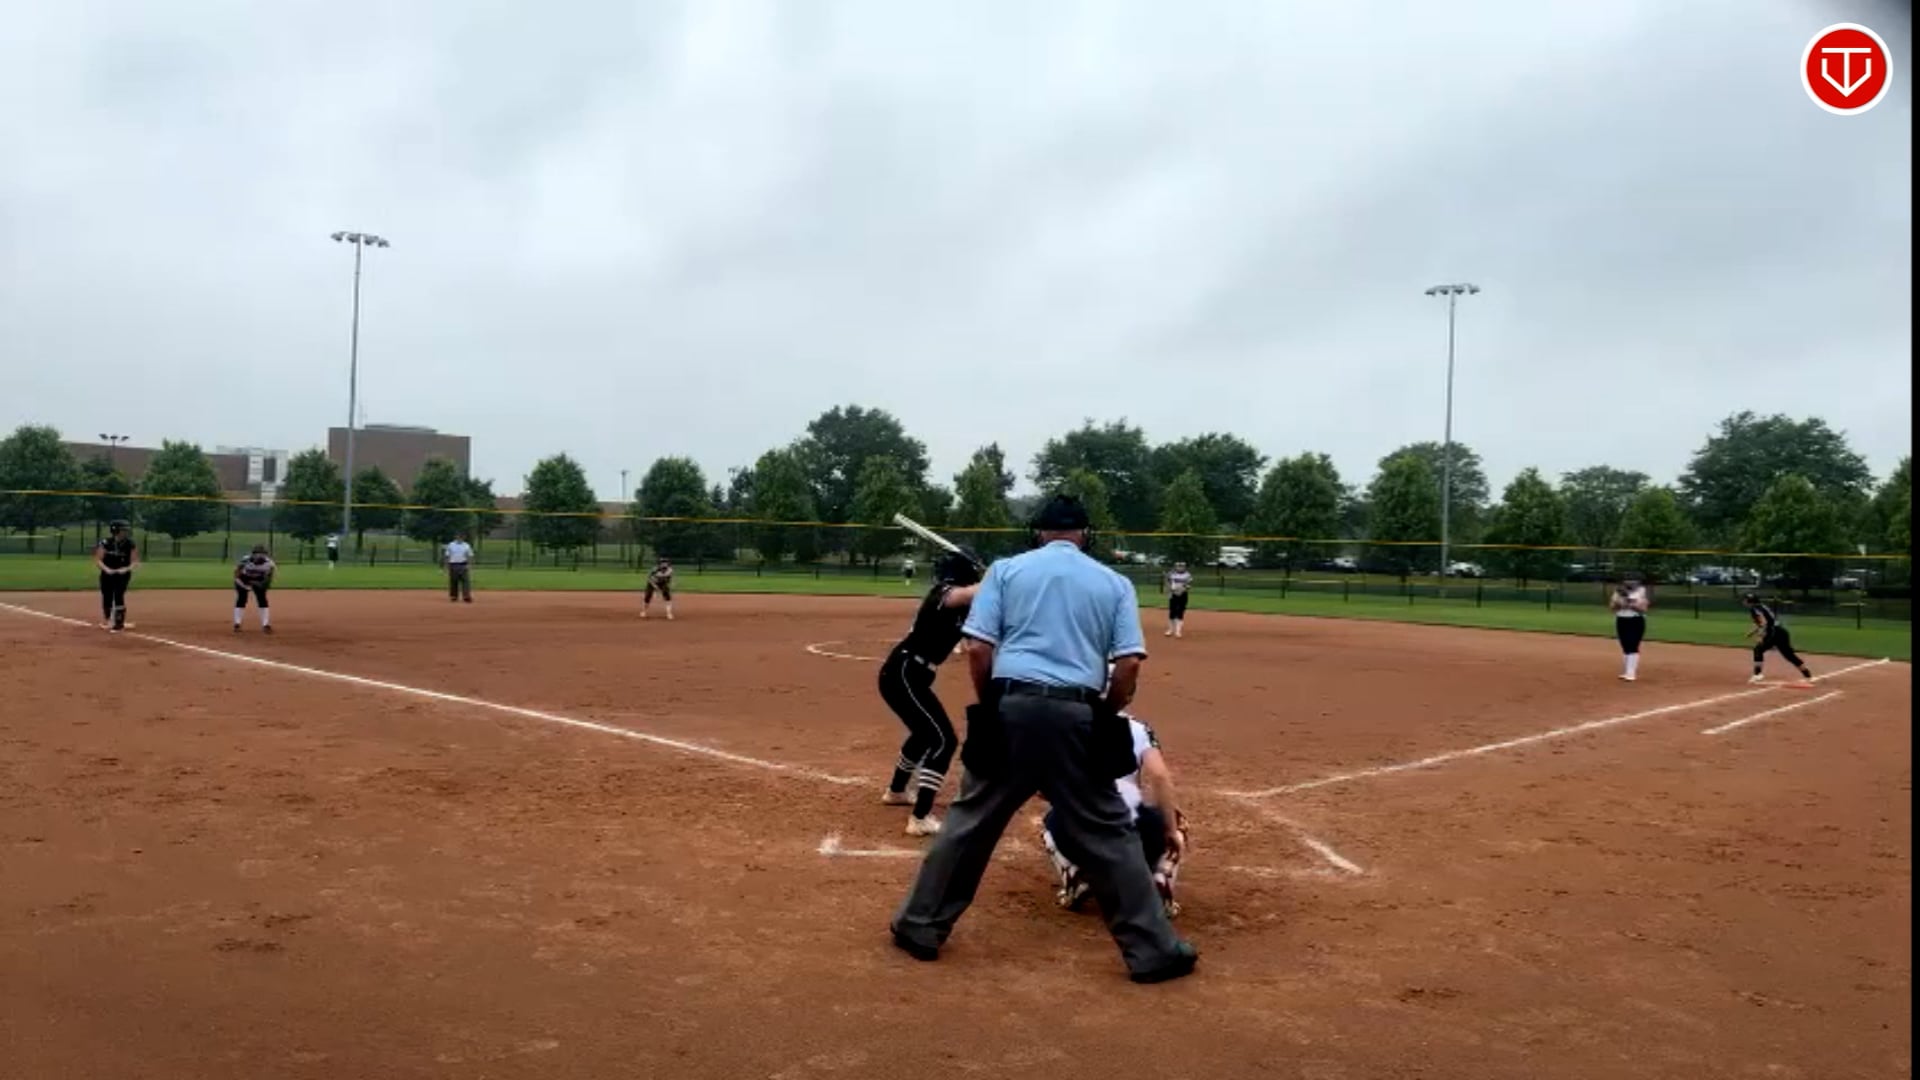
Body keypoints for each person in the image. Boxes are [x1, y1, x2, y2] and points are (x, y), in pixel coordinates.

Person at [890, 494, 1198, 984]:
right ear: (1085, 534)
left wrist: (993, 706)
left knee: (969, 823)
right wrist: (1104, 713)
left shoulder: (1005, 571)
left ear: (1038, 532)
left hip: (1011, 706)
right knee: (1110, 833)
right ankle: (1154, 951)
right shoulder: (1114, 582)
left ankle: (919, 925)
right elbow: (1129, 664)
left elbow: (978, 649)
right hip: (1078, 712)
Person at [1040, 668, 1189, 918]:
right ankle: (1160, 876)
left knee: (1050, 823)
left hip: (1080, 831)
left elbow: (1045, 786)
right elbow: (1160, 777)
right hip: (1136, 831)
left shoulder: (1066, 728)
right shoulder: (1138, 728)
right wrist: (1170, 830)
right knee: (1176, 821)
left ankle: (1076, 875)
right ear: (1127, 694)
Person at [879, 550, 984, 836]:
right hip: (903, 671)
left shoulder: (965, 608)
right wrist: (1000, 577)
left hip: (913, 675)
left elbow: (975, 640)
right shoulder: (944, 593)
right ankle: (920, 817)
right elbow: (966, 594)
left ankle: (896, 791)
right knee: (943, 740)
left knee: (923, 733)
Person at [1743, 592, 1813, 685]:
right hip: (1780, 632)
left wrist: (1760, 636)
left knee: (1758, 649)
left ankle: (1757, 674)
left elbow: (1763, 622)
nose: (1744, 601)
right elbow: (1762, 622)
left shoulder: (1754, 609)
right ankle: (1807, 674)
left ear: (1750, 601)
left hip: (1773, 633)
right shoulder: (1761, 606)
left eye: (1746, 600)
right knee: (1789, 655)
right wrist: (1752, 633)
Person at [93, 519, 138, 633]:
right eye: (123, 530)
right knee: (107, 596)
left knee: (118, 595)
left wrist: (126, 569)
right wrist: (106, 569)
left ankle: (119, 624)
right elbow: (98, 559)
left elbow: (134, 561)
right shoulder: (105, 543)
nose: (126, 532)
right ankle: (109, 620)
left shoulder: (130, 543)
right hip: (107, 573)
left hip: (122, 574)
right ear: (115, 530)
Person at [1609, 577, 1650, 681]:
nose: (1629, 583)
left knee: (1632, 644)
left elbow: (1643, 609)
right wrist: (1619, 603)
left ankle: (1631, 673)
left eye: (1632, 581)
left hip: (1635, 620)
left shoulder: (1641, 592)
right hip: (1621, 619)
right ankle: (1626, 671)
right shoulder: (1618, 592)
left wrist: (1629, 603)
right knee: (1625, 645)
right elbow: (1612, 607)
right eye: (1627, 581)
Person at [233, 544, 277, 634]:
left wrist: (263, 585)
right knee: (242, 599)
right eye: (257, 553)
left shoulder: (269, 564)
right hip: (243, 580)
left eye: (263, 554)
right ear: (253, 554)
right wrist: (247, 582)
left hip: (258, 581)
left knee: (262, 600)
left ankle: (265, 624)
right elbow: (237, 572)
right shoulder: (245, 560)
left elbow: (269, 577)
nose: (260, 556)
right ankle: (237, 624)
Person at [1164, 561, 1193, 638]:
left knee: (1180, 611)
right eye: (1178, 566)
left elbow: (1189, 585)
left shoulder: (1188, 575)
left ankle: (1178, 631)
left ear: (1185, 567)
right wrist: (1169, 591)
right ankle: (1170, 629)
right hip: (1173, 594)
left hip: (1183, 594)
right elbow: (1167, 583)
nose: (1180, 568)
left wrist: (1182, 590)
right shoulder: (1171, 574)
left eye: (1182, 566)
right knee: (1172, 611)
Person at [444, 533, 474, 603]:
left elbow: (469, 555)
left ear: (464, 538)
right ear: (456, 537)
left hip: (463, 564)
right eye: (459, 536)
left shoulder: (466, 545)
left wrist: (469, 565)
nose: (460, 538)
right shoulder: (451, 545)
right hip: (453, 564)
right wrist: (446, 565)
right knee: (454, 581)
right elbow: (447, 555)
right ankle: (454, 596)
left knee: (466, 581)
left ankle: (466, 596)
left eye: (462, 537)